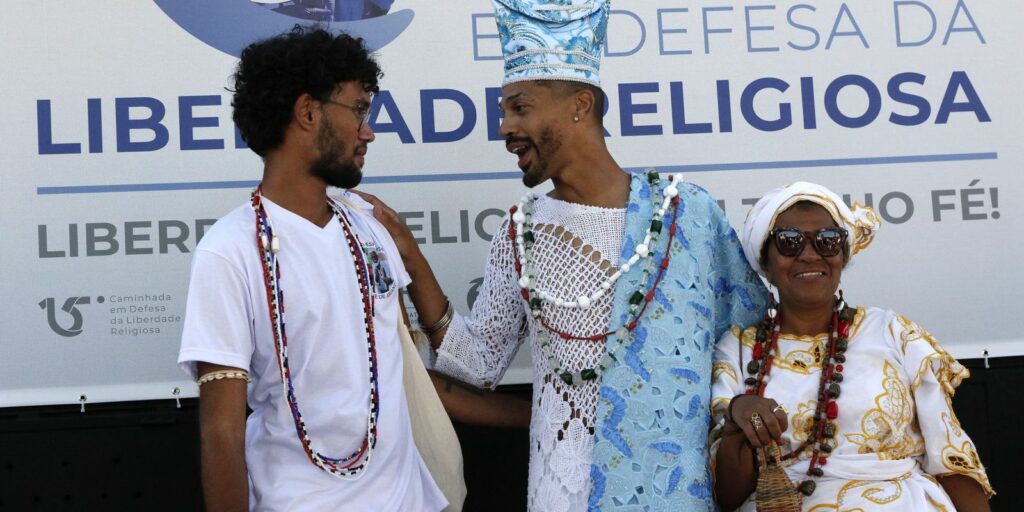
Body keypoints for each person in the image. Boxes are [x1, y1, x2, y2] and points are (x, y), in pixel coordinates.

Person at [358, 1, 768, 509]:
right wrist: (409, 253)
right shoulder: (522, 230)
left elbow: (753, 343)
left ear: (579, 105)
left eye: (520, 107)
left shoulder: (687, 213)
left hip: (673, 493)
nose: (505, 127)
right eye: (505, 110)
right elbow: (477, 363)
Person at [175, 27, 450, 511]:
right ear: (308, 112)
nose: (369, 131)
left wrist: (542, 415)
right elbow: (221, 430)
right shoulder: (228, 251)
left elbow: (409, 375)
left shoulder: (369, 225)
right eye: (359, 110)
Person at [711, 182, 993, 511]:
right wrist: (738, 420)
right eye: (789, 242)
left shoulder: (894, 333)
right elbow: (728, 496)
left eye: (828, 241)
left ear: (843, 256)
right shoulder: (739, 350)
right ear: (766, 262)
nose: (809, 253)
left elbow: (952, 461)